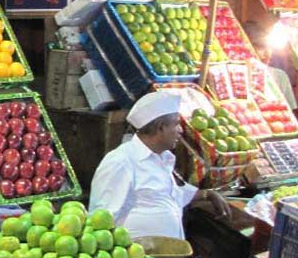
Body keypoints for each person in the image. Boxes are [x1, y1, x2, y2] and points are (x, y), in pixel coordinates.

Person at [89, 90, 230, 240]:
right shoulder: (120, 162)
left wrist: (207, 194)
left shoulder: (161, 158)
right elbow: (100, 219)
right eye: (176, 124)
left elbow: (167, 196)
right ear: (160, 128)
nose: (181, 130)